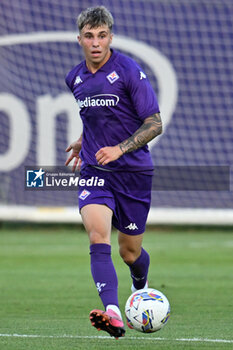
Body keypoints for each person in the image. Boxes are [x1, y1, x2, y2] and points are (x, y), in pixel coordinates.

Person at [65, 6, 162, 339]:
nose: (96, 42)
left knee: (130, 252)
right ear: (80, 39)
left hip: (133, 173)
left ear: (110, 37)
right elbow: (96, 117)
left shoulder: (128, 71)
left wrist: (120, 148)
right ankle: (113, 313)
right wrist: (82, 142)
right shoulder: (74, 77)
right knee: (97, 236)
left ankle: (141, 286)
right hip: (95, 169)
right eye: (89, 36)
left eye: (102, 35)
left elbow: (154, 123)